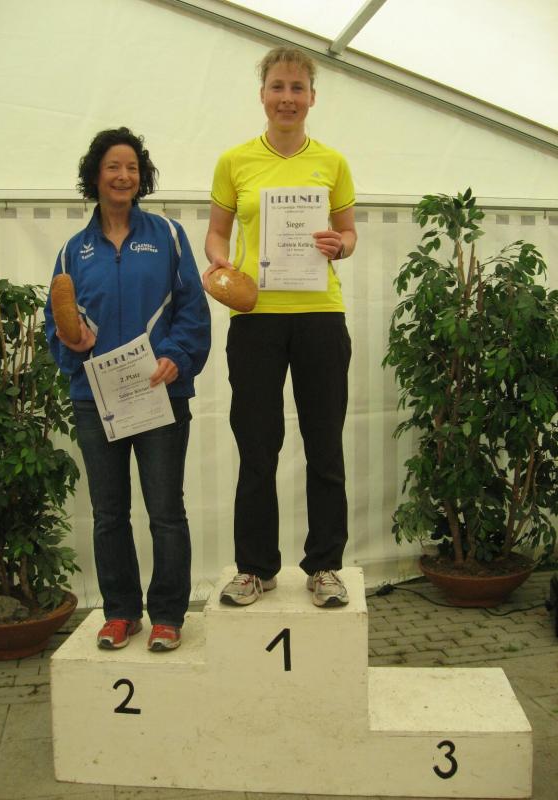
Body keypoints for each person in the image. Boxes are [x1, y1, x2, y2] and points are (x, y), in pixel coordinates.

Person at [45, 127, 211, 651]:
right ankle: (120, 613)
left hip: (161, 393)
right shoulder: (73, 252)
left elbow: (192, 308)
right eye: (113, 167)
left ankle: (168, 615)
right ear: (95, 176)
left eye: (132, 168)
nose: (124, 176)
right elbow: (56, 323)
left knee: (166, 512)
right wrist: (72, 341)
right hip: (95, 400)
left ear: (142, 177)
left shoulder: (169, 236)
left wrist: (176, 357)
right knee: (109, 514)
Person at [203, 47, 357, 608]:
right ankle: (255, 568)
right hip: (256, 320)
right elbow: (216, 234)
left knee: (325, 444)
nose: (287, 98)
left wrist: (341, 244)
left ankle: (325, 567)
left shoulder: (333, 162)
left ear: (312, 96)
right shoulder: (234, 161)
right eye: (277, 87)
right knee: (257, 445)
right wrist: (219, 263)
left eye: (297, 88)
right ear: (262, 95)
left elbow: (349, 233)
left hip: (321, 316)